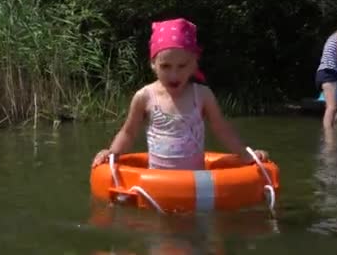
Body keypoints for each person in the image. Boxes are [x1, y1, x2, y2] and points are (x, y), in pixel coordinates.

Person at [91, 18, 269, 169]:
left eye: (182, 66)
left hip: (195, 182)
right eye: (165, 66)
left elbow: (221, 129)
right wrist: (112, 152)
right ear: (153, 64)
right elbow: (129, 132)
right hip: (157, 182)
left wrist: (246, 153)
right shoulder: (144, 96)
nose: (174, 74)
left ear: (193, 64)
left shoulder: (202, 95)